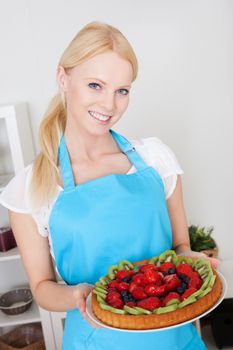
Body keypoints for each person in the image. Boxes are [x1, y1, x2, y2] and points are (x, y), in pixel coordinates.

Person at [0, 21, 219, 350]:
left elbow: (180, 248)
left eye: (122, 90)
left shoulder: (156, 158)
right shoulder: (32, 187)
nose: (110, 105)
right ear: (63, 77)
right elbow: (42, 288)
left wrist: (194, 261)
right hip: (96, 341)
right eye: (95, 85)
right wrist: (77, 295)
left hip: (174, 337)